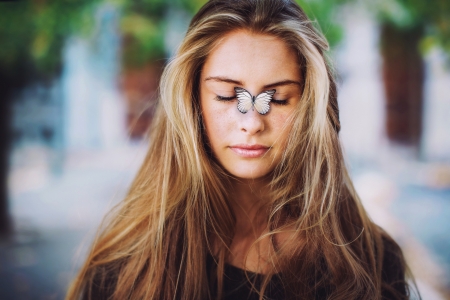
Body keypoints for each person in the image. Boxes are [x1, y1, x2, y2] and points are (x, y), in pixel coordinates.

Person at [67, 0, 415, 299]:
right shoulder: (127, 268)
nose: (251, 123)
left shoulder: (371, 262)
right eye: (227, 95)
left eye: (276, 99)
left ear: (309, 106)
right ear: (192, 100)